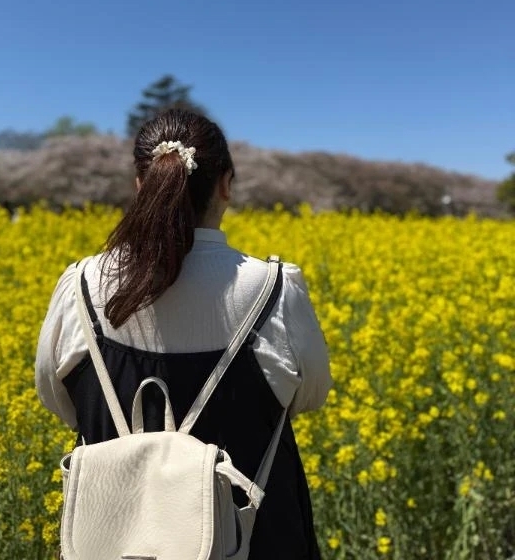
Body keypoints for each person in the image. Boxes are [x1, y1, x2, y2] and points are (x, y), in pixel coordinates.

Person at [35, 109, 332, 560]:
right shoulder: (275, 290)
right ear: (226, 184)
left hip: (114, 542)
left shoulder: (77, 288)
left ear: (141, 184)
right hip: (256, 541)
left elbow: (60, 401)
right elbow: (308, 396)